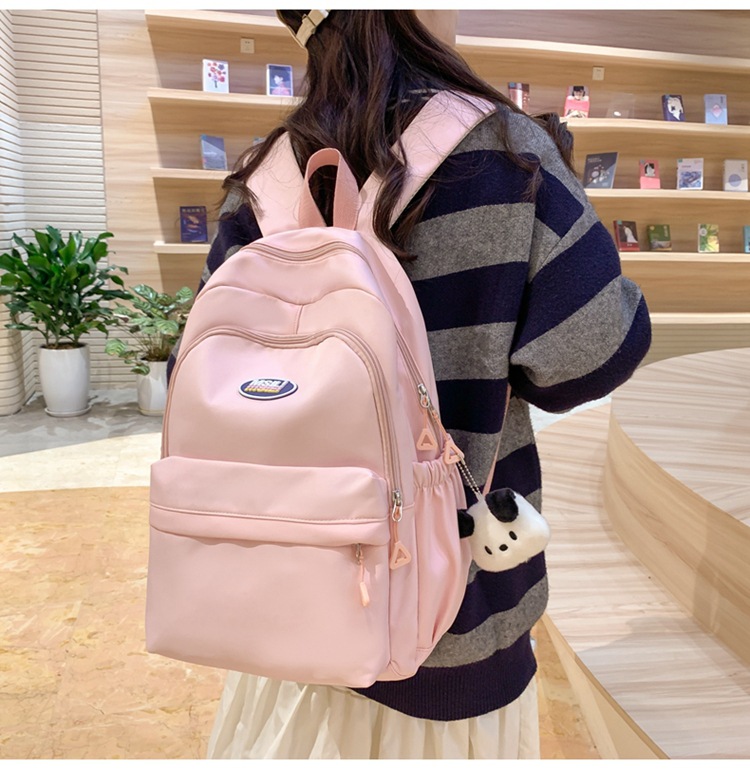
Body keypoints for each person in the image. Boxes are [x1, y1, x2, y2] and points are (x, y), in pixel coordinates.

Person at [170, 10, 651, 760]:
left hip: (283, 596)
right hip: (453, 620)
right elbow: (592, 354)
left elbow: (196, 380)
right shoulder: (506, 154)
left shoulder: (266, 178)